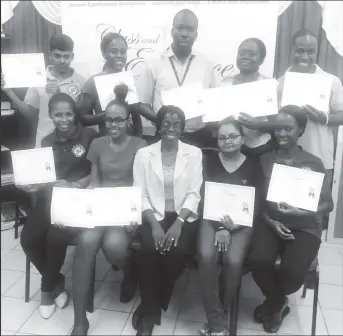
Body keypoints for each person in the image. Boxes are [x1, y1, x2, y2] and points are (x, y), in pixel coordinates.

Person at [248, 105, 334, 333]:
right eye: (278, 129)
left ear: (301, 130)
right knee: (257, 261)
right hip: (270, 222)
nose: (282, 134)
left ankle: (273, 303)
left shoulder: (313, 162)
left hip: (305, 227)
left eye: (288, 129)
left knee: (293, 274)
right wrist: (271, 221)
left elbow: (328, 204)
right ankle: (278, 305)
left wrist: (300, 212)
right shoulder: (264, 159)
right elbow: (256, 201)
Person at [71, 85, 146, 336]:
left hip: (126, 209)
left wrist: (133, 215)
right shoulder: (98, 144)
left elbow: (140, 184)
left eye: (118, 120)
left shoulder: (139, 145)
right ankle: (80, 320)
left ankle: (131, 271)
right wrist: (93, 212)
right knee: (86, 242)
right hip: (102, 204)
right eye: (108, 119)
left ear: (127, 122)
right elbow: (95, 182)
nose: (113, 124)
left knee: (114, 245)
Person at [20, 93, 97, 319]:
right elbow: (46, 177)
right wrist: (34, 187)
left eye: (68, 114)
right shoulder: (46, 142)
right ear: (51, 116)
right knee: (28, 239)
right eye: (58, 114)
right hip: (50, 198)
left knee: (56, 236)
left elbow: (97, 171)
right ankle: (56, 282)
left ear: (75, 114)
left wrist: (76, 185)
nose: (64, 119)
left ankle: (46, 291)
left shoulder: (90, 135)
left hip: (78, 199)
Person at [132, 105, 203, 335]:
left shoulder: (194, 153)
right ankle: (150, 316)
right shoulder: (144, 154)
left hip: (183, 216)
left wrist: (178, 224)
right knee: (149, 251)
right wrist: (154, 226)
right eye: (166, 124)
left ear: (182, 129)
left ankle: (150, 302)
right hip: (153, 214)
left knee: (176, 253)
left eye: (176, 125)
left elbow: (194, 193)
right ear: (157, 126)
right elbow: (139, 193)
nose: (171, 128)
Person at [197, 119, 264, 336]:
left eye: (233, 136)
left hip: (242, 224)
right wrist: (220, 227)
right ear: (217, 141)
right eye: (222, 137)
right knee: (206, 257)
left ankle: (218, 315)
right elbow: (202, 197)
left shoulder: (253, 165)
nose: (228, 141)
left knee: (233, 262)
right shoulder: (207, 161)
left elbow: (257, 203)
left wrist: (232, 227)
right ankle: (218, 324)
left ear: (242, 139)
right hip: (210, 220)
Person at [144, 9, 219, 148]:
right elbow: (143, 105)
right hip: (163, 136)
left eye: (190, 29)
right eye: (180, 28)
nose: (184, 34)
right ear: (172, 31)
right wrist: (165, 123)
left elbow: (213, 103)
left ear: (196, 34)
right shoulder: (154, 63)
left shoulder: (206, 64)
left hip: (198, 138)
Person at [277, 29, 343, 186]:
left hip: (319, 157)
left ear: (317, 52)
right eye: (300, 51)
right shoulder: (280, 83)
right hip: (285, 158)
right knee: (285, 205)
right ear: (291, 51)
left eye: (310, 51)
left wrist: (324, 118)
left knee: (318, 207)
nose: (305, 57)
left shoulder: (331, 81)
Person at [1, 34, 85, 148]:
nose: (62, 60)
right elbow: (30, 114)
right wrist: (9, 92)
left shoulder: (81, 81)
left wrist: (59, 95)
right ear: (50, 55)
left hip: (73, 145)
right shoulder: (39, 79)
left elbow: (82, 117)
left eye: (66, 56)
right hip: (45, 142)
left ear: (72, 56)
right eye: (57, 55)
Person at [78, 32, 155, 138]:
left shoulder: (127, 79)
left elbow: (136, 113)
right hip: (108, 144)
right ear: (104, 53)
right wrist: (110, 115)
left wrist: (139, 140)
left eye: (123, 52)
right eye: (114, 51)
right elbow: (83, 118)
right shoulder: (93, 82)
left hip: (131, 142)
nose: (119, 55)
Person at [221, 38, 276, 157]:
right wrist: (221, 123)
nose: (245, 57)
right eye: (241, 53)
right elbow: (212, 120)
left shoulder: (269, 85)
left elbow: (278, 123)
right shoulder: (224, 84)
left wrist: (258, 124)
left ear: (261, 60)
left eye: (252, 54)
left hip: (260, 149)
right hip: (228, 148)